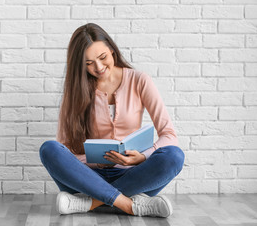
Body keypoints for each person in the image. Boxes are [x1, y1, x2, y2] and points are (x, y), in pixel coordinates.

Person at [39, 23, 185, 217]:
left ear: (112, 51)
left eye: (102, 57)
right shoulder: (75, 90)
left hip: (133, 175)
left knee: (174, 156)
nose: (98, 67)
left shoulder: (139, 80)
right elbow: (64, 149)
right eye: (88, 63)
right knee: (49, 149)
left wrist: (142, 157)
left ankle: (89, 203)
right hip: (88, 177)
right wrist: (96, 164)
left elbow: (169, 134)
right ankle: (130, 205)